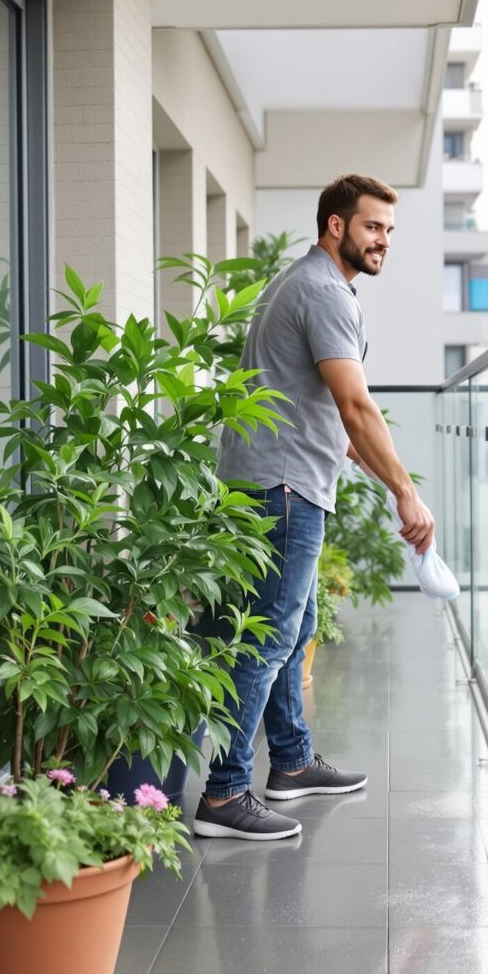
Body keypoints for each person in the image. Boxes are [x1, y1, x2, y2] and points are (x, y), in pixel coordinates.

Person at [196, 174, 436, 841]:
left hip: (277, 479)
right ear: (336, 226)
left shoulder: (302, 284)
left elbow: (320, 402)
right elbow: (355, 404)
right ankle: (222, 795)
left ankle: (293, 764)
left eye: (389, 229)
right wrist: (405, 492)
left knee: (292, 629)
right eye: (372, 226)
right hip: (285, 489)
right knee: (267, 639)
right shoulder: (324, 292)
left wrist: (362, 455)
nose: (383, 240)